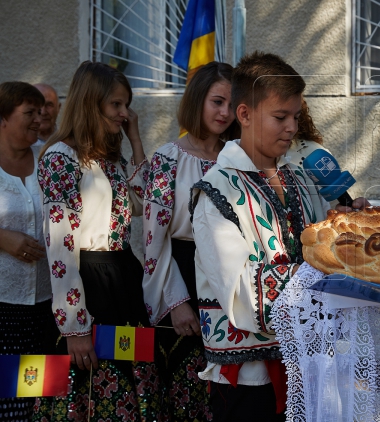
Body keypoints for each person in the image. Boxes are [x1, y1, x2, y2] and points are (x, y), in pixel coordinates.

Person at [191, 51, 329, 422]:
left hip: (306, 362)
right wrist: (330, 279)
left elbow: (321, 247)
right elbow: (241, 292)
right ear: (245, 115)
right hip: (249, 377)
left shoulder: (299, 177)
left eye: (296, 117)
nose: (291, 128)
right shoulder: (216, 190)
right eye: (280, 117)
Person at [35, 61, 160, 421]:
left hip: (122, 276)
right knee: (81, 393)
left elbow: (142, 205)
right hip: (86, 283)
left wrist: (135, 140)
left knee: (132, 394)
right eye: (116, 105)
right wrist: (74, 325)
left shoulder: (109, 157)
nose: (125, 113)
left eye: (126, 105)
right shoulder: (61, 158)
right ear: (91, 103)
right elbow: (60, 247)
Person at [143, 61, 238, 421]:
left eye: (232, 104)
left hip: (229, 279)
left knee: (228, 389)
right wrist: (176, 301)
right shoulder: (167, 158)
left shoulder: (238, 159)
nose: (225, 112)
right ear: (197, 100)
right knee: (187, 389)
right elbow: (154, 239)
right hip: (181, 271)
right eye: (217, 101)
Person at [0, 82, 57, 422]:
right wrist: (2, 237)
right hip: (3, 307)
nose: (39, 118)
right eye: (29, 113)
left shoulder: (48, 158)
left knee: (37, 399)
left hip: (45, 306)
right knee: (7, 400)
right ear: (3, 117)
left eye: (41, 111)